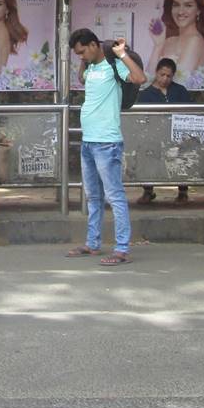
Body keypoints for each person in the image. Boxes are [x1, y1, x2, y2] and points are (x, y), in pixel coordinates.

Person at [65, 28, 146, 266]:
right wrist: (84, 61)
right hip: (89, 141)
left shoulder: (114, 66)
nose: (81, 57)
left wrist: (121, 54)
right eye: (77, 54)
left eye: (82, 52)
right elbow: (81, 78)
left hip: (107, 142)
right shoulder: (90, 67)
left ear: (93, 45)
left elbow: (139, 78)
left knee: (114, 196)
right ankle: (92, 243)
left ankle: (121, 249)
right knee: (93, 196)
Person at [136, 58, 191, 205]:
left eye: (169, 76)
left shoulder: (180, 91)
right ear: (156, 73)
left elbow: (189, 112)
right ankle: (148, 191)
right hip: (153, 136)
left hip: (178, 135)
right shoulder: (146, 94)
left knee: (182, 156)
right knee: (148, 156)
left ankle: (183, 192)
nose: (165, 79)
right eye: (162, 75)